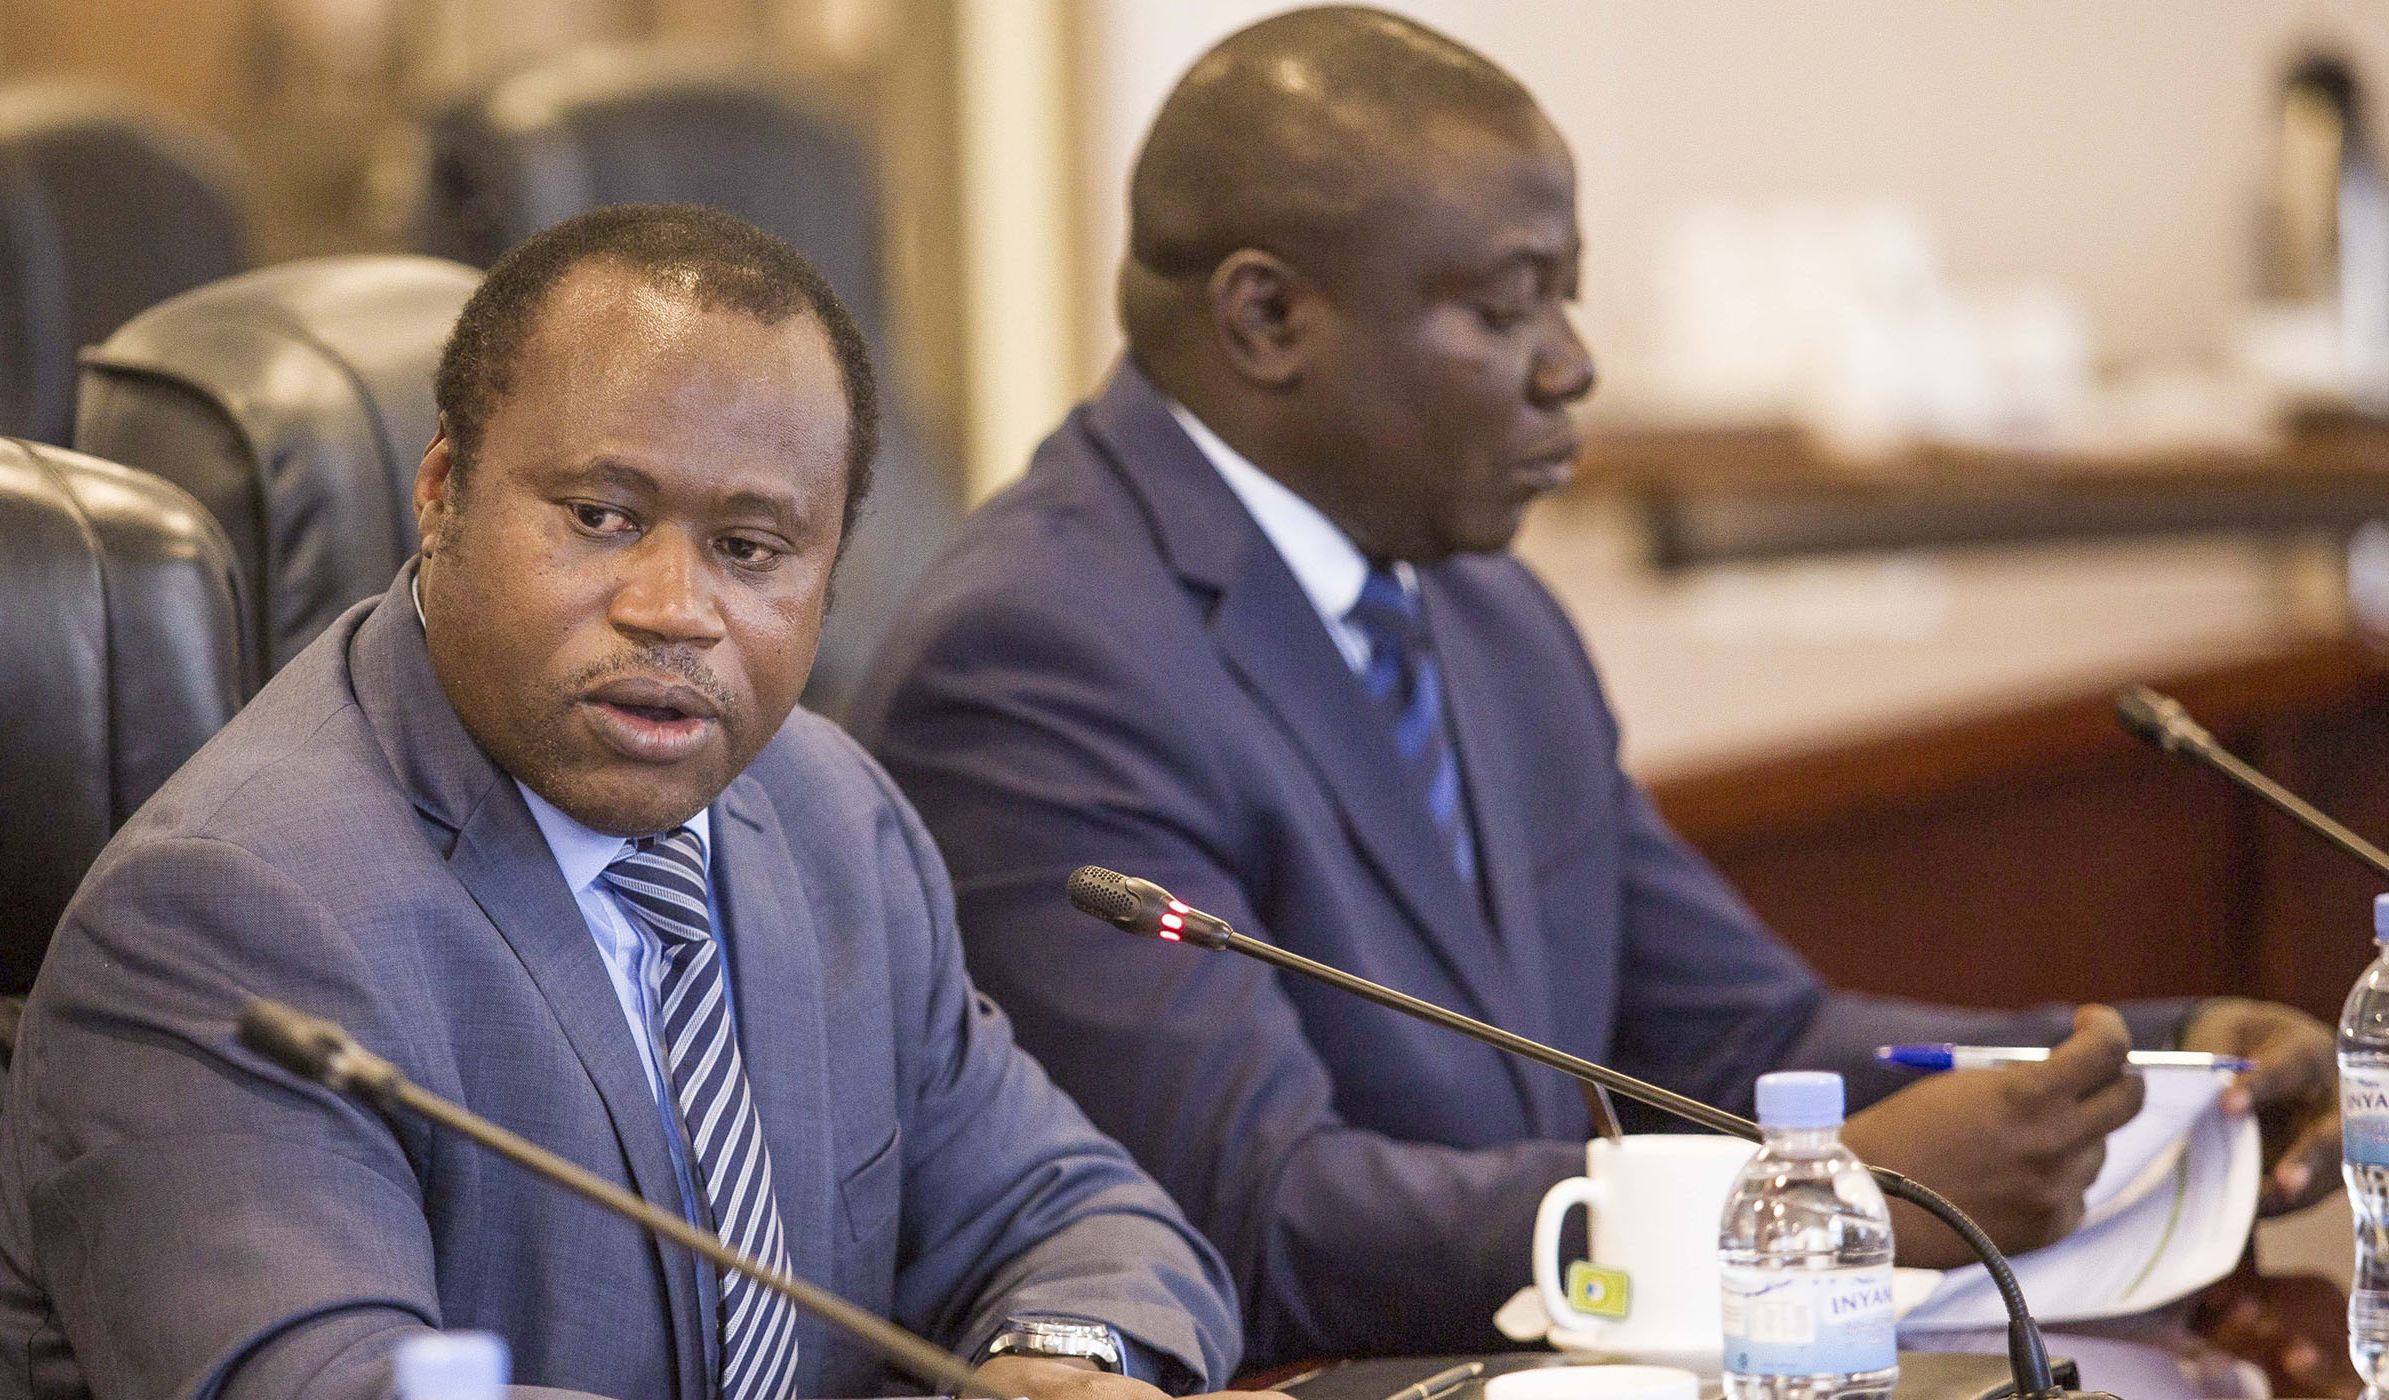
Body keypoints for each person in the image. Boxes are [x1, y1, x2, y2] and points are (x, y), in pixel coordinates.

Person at [850, 7, 2342, 1373]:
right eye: (1507, 311)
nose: (1572, 368)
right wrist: (1840, 1197)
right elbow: (1251, 1216)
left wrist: (2159, 1070)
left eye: (1566, 301)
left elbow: (1736, 1036)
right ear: (1266, 321)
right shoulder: (1039, 655)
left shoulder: (1487, 609)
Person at [0, 204, 1261, 1400]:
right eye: (601, 516)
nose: (675, 607)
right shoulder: (230, 917)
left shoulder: (830, 815)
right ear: (441, 494)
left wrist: (1066, 1356)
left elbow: (1089, 1217)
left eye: (751, 549)